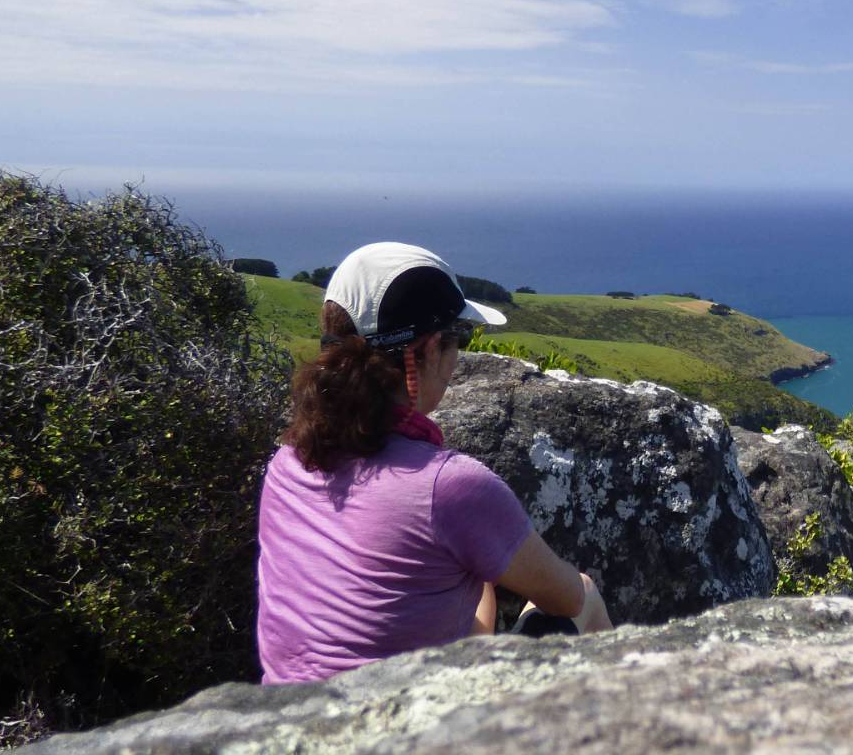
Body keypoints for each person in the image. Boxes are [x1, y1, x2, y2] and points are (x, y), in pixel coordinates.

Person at [255, 242, 611, 684]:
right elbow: (565, 598)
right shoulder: (451, 486)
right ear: (423, 352)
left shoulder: (288, 463)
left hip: (288, 720)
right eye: (455, 339)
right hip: (404, 728)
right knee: (588, 594)